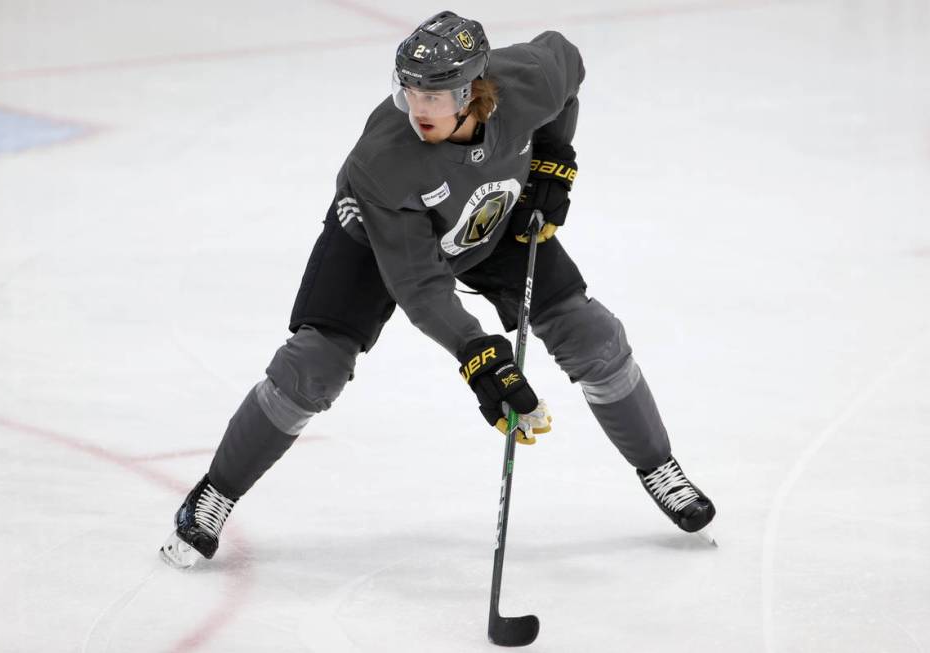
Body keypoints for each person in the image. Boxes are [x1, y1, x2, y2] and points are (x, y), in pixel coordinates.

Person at [160, 10, 716, 568]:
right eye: (410, 94)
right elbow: (420, 284)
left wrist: (552, 156)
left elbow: (566, 68)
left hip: (489, 223)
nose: (420, 110)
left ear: (475, 90)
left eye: (437, 96)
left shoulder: (527, 81)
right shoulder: (383, 161)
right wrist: (477, 352)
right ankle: (216, 491)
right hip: (375, 238)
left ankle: (658, 466)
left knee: (591, 334)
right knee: (313, 366)